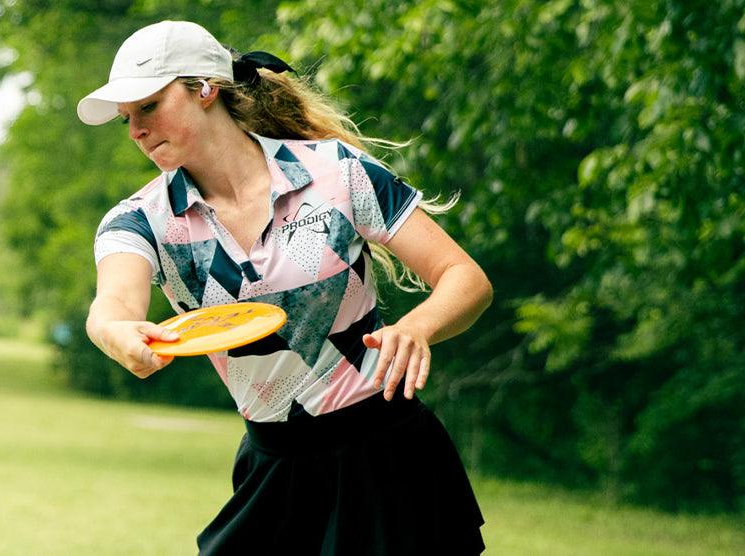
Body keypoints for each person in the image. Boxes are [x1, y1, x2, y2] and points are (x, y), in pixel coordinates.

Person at [79, 20, 493, 555]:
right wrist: (114, 332)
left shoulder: (339, 173)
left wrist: (416, 326)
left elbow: (466, 278)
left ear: (205, 88)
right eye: (126, 118)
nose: (135, 129)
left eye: (149, 107)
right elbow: (112, 303)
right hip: (272, 470)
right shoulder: (139, 221)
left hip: (390, 457)